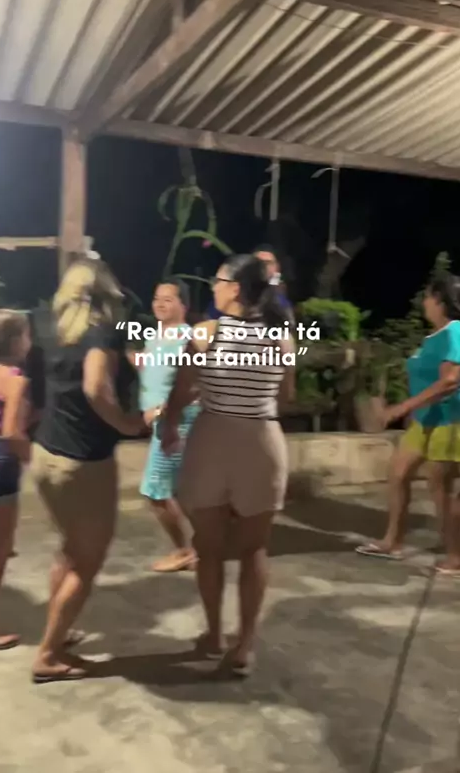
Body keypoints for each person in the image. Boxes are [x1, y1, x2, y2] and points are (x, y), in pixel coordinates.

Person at [161, 254, 295, 676]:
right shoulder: (281, 337)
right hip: (262, 442)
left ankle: (215, 633)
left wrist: (168, 425)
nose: (213, 288)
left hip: (212, 440)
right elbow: (287, 396)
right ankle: (244, 645)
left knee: (209, 546)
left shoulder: (205, 334)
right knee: (254, 549)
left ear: (235, 289)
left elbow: (181, 392)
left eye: (217, 281)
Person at [30, 258, 144, 684]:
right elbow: (96, 387)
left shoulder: (53, 328)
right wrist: (128, 424)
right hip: (84, 462)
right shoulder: (100, 331)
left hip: (47, 453)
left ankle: (58, 634)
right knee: (87, 561)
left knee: (69, 549)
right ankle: (47, 655)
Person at [356, 272, 460, 572]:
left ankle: (455, 556)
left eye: (427, 296)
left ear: (440, 299)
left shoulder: (455, 331)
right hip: (425, 420)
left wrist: (402, 407)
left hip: (450, 420)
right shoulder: (434, 337)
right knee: (398, 474)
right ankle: (393, 542)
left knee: (440, 488)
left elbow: (450, 382)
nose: (424, 303)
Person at [136, 278, 198, 573]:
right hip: (162, 424)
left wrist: (162, 410)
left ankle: (185, 551)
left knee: (156, 492)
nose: (159, 304)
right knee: (179, 491)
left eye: (168, 299)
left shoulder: (189, 339)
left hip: (177, 422)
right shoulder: (156, 336)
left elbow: (196, 386)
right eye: (156, 298)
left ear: (183, 305)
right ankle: (201, 548)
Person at [0, 310, 31, 650]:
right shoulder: (14, 379)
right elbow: (12, 431)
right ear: (14, 342)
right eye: (26, 335)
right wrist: (29, 457)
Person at [205, 245, 294, 324]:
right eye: (258, 263)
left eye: (268, 263)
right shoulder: (225, 295)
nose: (263, 267)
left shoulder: (280, 300)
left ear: (277, 267)